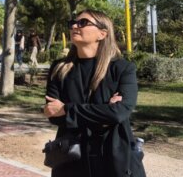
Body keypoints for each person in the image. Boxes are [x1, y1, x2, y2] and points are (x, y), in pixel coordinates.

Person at [43, 10, 146, 177]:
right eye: (73, 23)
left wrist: (67, 110)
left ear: (102, 34)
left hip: (113, 160)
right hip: (71, 161)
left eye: (83, 23)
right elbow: (53, 115)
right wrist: (103, 114)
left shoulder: (122, 69)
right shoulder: (60, 69)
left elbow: (118, 113)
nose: (74, 26)